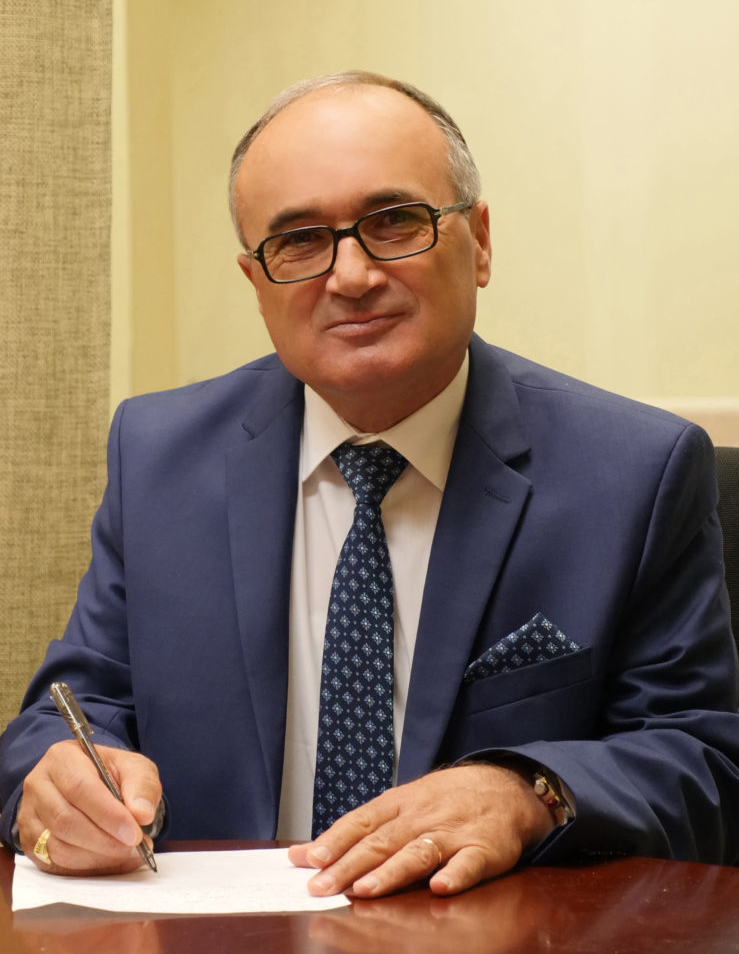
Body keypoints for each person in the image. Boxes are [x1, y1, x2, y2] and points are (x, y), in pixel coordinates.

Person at [1, 71, 737, 897]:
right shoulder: (159, 455)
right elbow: (69, 712)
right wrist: (57, 782)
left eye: (393, 222)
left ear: (479, 242)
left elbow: (703, 764)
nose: (349, 276)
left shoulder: (634, 472)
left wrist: (529, 792)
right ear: (256, 282)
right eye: (298, 241)